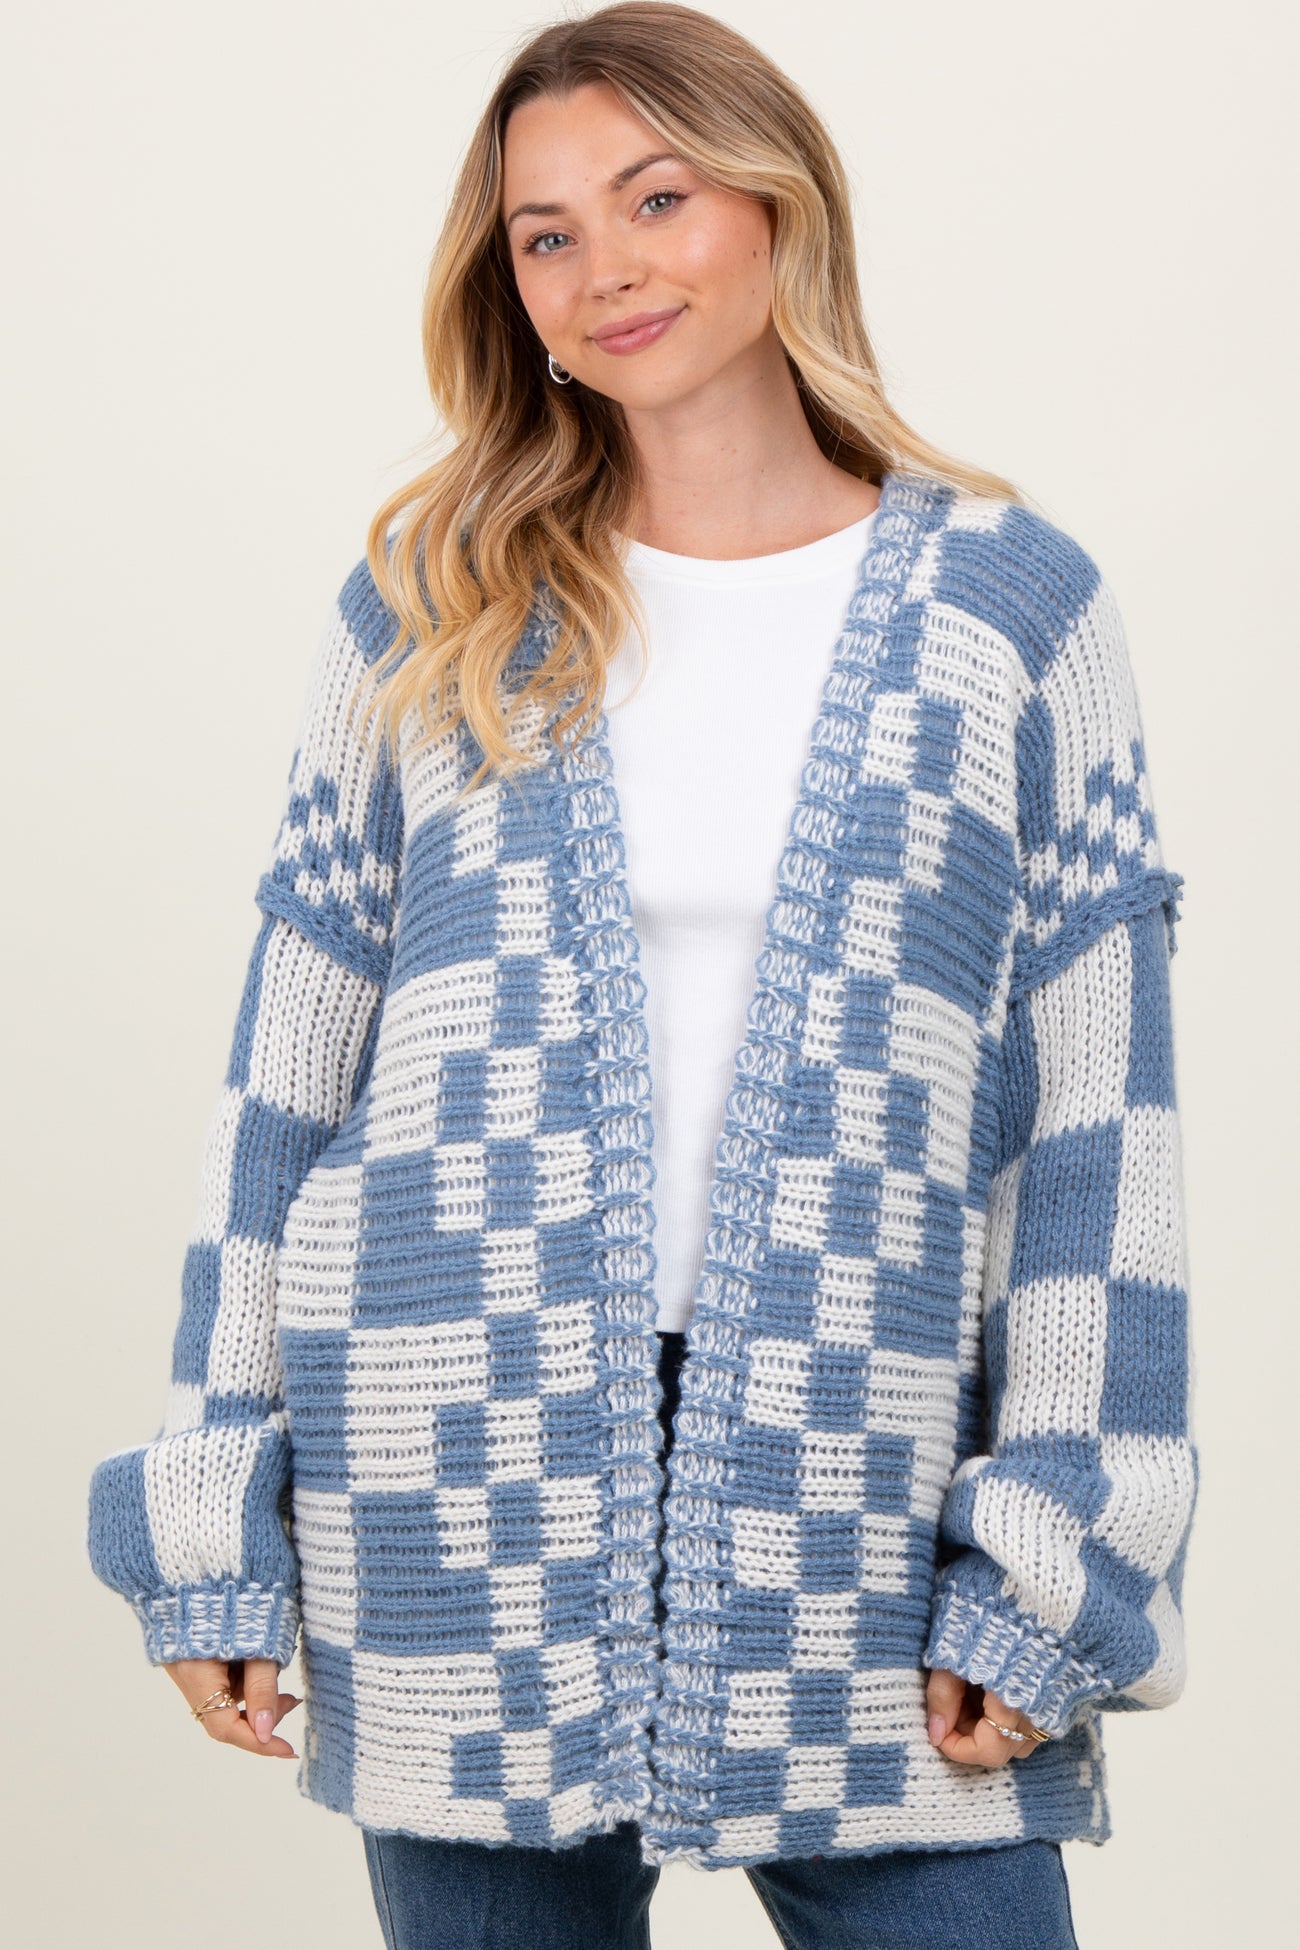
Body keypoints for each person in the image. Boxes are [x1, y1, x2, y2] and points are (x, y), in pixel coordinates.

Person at [86, 6, 1198, 1947]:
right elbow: (284, 1091)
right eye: (546, 233)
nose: (604, 266)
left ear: (776, 205)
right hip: (451, 1494)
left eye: (655, 198)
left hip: (860, 1489)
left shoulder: (1012, 615)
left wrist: (1056, 1557)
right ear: (508, 288)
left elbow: (1094, 1133)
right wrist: (211, 1515)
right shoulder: (434, 606)